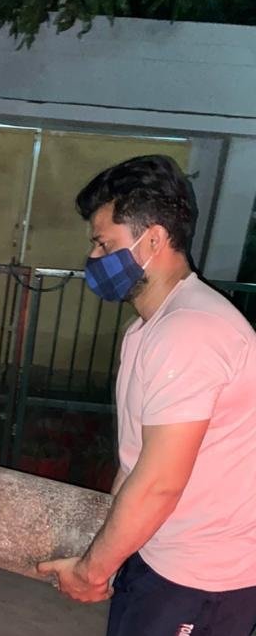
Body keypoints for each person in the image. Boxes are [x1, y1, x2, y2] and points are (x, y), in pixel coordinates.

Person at [37, 155, 256, 636]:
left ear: (153, 239)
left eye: (104, 244)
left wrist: (91, 572)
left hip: (201, 577)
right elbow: (136, 460)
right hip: (163, 553)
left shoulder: (190, 332)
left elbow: (159, 483)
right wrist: (109, 552)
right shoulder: (151, 329)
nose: (94, 258)